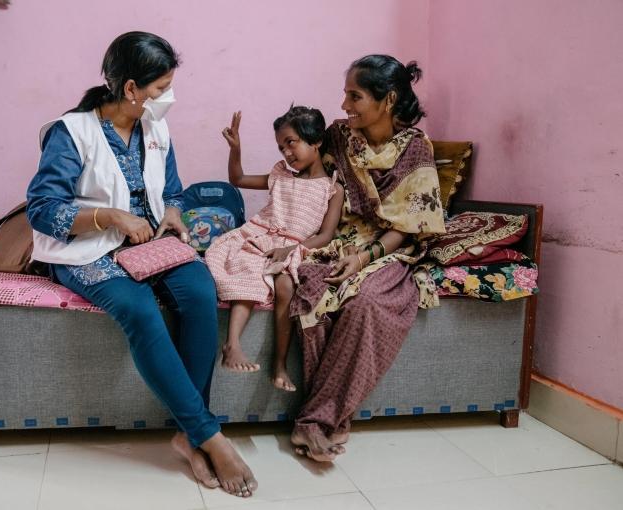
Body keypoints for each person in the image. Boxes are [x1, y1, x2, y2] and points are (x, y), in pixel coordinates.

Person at [25, 32, 256, 498]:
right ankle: (208, 436)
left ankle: (187, 436)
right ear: (130, 89)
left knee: (200, 293)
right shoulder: (70, 133)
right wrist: (109, 217)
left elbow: (171, 189)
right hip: (86, 248)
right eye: (159, 88)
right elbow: (43, 209)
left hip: (150, 241)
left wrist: (172, 212)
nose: (166, 98)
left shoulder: (156, 130)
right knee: (140, 311)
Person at [288, 55, 446, 461]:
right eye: (345, 95)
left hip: (389, 245)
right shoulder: (339, 137)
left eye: (355, 96)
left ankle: (315, 423)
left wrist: (365, 257)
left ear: (388, 99)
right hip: (339, 238)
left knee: (366, 302)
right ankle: (325, 420)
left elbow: (410, 223)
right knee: (312, 292)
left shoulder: (416, 148)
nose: (344, 105)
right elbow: (308, 177)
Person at [205, 107, 344, 392]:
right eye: (281, 147)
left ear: (315, 140)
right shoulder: (280, 175)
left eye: (291, 142)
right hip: (259, 235)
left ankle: (278, 364)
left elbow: (327, 234)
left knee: (284, 286)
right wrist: (236, 149)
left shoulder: (332, 189)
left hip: (294, 246)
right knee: (248, 269)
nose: (286, 153)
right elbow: (238, 179)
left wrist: (293, 249)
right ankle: (232, 345)